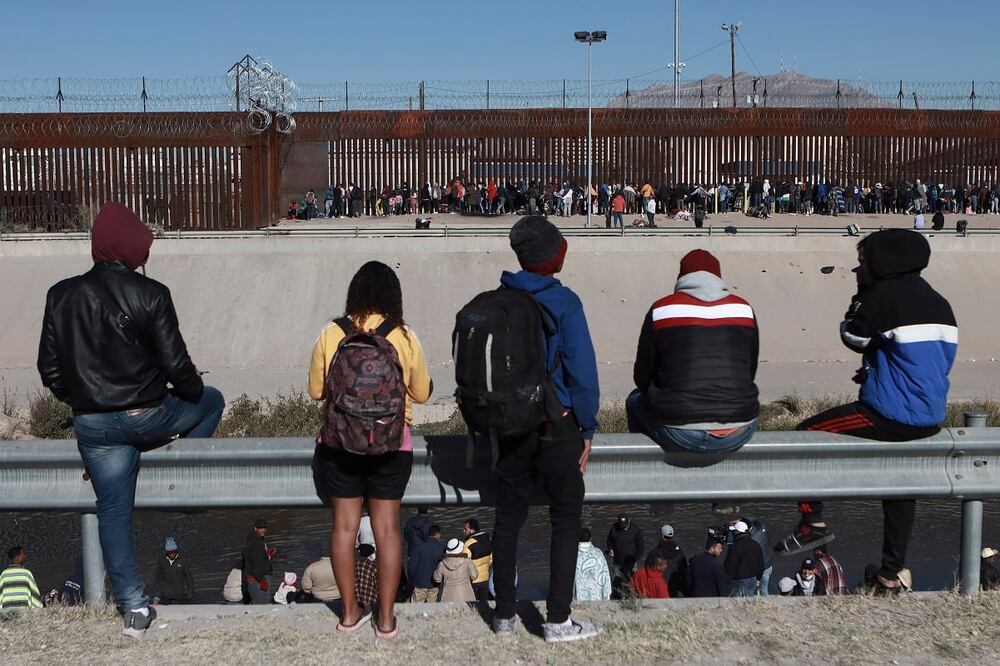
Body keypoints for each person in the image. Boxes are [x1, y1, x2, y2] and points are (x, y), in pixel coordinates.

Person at [36, 202, 225, 637]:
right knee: (212, 400)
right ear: (133, 246)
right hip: (148, 416)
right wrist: (191, 390)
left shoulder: (60, 295)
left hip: (94, 427)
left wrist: (81, 400)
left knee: (113, 515)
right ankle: (186, 485)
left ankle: (134, 608)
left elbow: (50, 371)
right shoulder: (152, 294)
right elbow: (179, 368)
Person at [778, 229, 957, 595]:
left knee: (803, 434)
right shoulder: (940, 302)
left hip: (889, 413)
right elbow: (923, 360)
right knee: (900, 489)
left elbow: (853, 337)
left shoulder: (881, 294)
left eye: (862, 263)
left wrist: (861, 299)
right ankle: (891, 572)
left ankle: (812, 521)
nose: (858, 269)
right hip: (931, 418)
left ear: (881, 263)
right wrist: (879, 365)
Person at [490, 216, 601, 643]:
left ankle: (502, 617)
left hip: (511, 427)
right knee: (567, 518)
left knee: (508, 519)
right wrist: (587, 428)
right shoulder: (566, 303)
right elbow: (582, 373)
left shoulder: (501, 297)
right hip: (558, 426)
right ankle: (557, 620)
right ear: (555, 256)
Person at [309, 260, 432, 639]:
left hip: (339, 444)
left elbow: (316, 391)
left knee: (344, 529)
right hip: (393, 445)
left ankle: (348, 614)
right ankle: (386, 620)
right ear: (393, 296)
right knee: (388, 530)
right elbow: (423, 394)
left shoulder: (333, 332)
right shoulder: (403, 335)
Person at [627, 249, 759, 455]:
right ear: (719, 276)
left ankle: (644, 469)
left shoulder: (661, 310)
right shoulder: (743, 309)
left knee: (635, 399)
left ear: (681, 277)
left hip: (679, 432)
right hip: (740, 428)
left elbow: (642, 377)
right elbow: (750, 370)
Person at [723, 521, 764, 597]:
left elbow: (730, 566)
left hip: (738, 579)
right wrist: (758, 577)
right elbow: (761, 564)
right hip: (752, 578)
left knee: (736, 602)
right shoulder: (756, 545)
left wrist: (726, 579)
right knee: (749, 600)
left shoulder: (734, 546)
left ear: (737, 532)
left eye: (734, 531)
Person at [151, 537, 194, 605]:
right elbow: (158, 578)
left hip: (181, 595)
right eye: (169, 552)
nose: (172, 554)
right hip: (165, 596)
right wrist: (156, 596)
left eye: (174, 552)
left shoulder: (183, 560)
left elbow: (189, 578)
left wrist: (190, 594)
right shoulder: (162, 561)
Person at [409, 525, 445, 602]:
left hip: (419, 583)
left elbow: (412, 568)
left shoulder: (418, 547)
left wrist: (413, 581)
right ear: (438, 534)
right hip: (434, 584)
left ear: (428, 534)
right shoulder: (442, 548)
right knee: (431, 608)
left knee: (416, 609)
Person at [433, 538, 477, 602]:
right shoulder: (467, 561)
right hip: (466, 594)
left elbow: (437, 579)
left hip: (448, 596)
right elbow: (474, 576)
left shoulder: (442, 563)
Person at [606, 514, 644, 587]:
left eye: (625, 526)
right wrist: (610, 548)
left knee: (632, 584)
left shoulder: (636, 530)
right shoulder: (614, 527)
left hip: (630, 563)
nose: (623, 528)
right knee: (616, 584)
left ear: (629, 520)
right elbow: (609, 540)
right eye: (622, 526)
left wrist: (634, 560)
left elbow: (641, 548)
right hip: (617, 562)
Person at [650, 524, 688, 598]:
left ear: (662, 535)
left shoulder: (655, 552)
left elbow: (648, 568)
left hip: (659, 583)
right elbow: (684, 568)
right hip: (674, 583)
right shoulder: (679, 551)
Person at [573, 528, 611, 601]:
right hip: (596, 597)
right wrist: (606, 595)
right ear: (591, 538)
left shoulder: (572, 554)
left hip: (578, 597)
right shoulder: (598, 553)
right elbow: (605, 573)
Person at [243, 518, 274, 605]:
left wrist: (266, 555)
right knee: (260, 608)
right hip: (258, 580)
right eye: (260, 528)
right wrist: (262, 580)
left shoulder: (257, 541)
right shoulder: (256, 543)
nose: (263, 530)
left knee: (262, 606)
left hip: (259, 578)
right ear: (255, 528)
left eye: (264, 528)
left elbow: (257, 559)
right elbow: (255, 565)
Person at [462, 518, 493, 603]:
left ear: (472, 530)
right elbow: (491, 559)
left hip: (473, 580)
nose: (463, 531)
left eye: (465, 529)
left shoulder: (468, 544)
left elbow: (465, 563)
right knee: (484, 602)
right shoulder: (488, 540)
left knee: (473, 603)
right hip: (485, 578)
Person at [354, 544, 379, 609]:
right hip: (371, 601)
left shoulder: (353, 565)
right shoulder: (374, 567)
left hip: (355, 601)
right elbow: (378, 587)